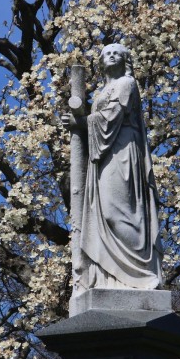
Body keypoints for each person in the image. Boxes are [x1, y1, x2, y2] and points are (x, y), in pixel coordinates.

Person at [62, 44, 162, 293]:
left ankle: (141, 275)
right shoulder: (104, 89)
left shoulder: (126, 83)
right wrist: (81, 123)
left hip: (121, 151)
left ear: (126, 60)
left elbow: (112, 117)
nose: (112, 55)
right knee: (105, 213)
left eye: (117, 52)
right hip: (105, 154)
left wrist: (81, 122)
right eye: (106, 53)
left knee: (116, 213)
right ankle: (110, 276)